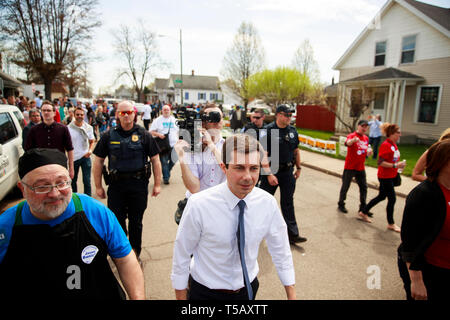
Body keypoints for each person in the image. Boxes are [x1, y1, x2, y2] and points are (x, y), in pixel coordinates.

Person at [0, 148, 145, 300]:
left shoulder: (94, 211)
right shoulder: (5, 226)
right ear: (22, 189)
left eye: (61, 183)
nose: (54, 193)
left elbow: (125, 259)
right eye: (42, 186)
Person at [171, 134, 296, 300]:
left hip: (248, 291)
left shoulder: (267, 203)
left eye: (253, 168)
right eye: (239, 168)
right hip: (205, 294)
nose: (247, 177)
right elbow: (182, 255)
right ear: (224, 167)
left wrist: (291, 295)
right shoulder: (198, 204)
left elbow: (281, 250)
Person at [93, 100, 162, 259]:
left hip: (138, 185)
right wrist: (98, 186)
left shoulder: (144, 134)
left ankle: (135, 253)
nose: (126, 115)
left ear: (134, 114)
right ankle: (122, 253)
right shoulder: (108, 135)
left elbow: (155, 160)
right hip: (116, 185)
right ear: (117, 114)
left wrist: (157, 184)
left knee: (136, 222)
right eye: (122, 113)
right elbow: (98, 161)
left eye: (129, 112)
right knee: (117, 221)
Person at [397, 139, 450, 301]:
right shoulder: (424, 194)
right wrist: (417, 281)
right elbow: (409, 242)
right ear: (442, 162)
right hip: (430, 269)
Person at [259, 105, 306, 244]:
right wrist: (268, 174)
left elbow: (296, 151)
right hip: (271, 171)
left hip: (287, 172)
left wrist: (299, 168)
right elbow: (263, 155)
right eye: (287, 115)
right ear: (278, 115)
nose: (289, 118)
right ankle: (256, 230)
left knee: (288, 203)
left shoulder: (292, 131)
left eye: (290, 115)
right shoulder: (266, 131)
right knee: (264, 202)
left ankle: (292, 234)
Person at [358, 123, 406, 231]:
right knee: (392, 199)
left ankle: (363, 211)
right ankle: (391, 223)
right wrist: (395, 165)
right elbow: (380, 162)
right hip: (385, 176)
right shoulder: (386, 145)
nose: (400, 135)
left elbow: (393, 159)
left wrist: (399, 166)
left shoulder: (393, 145)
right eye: (398, 132)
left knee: (382, 196)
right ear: (391, 134)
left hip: (391, 175)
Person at [24, 101, 75, 179]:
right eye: (44, 110)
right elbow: (28, 150)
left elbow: (70, 149)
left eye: (48, 110)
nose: (46, 112)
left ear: (54, 113)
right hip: (41, 167)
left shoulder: (63, 129)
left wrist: (71, 168)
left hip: (59, 166)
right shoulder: (34, 130)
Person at [337, 120, 372, 214]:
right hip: (350, 166)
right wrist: (353, 141)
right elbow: (347, 143)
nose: (364, 128)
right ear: (358, 126)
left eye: (366, 127)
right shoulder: (352, 135)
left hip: (360, 167)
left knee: (364, 187)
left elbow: (365, 151)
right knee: (345, 186)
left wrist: (368, 153)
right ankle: (341, 203)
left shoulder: (366, 138)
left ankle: (363, 207)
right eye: (362, 126)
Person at [68, 107, 95, 196]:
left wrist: (90, 151)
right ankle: (74, 199)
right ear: (74, 115)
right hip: (74, 158)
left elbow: (92, 141)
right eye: (78, 114)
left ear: (84, 116)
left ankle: (88, 199)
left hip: (85, 157)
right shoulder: (68, 128)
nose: (80, 116)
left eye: (81, 115)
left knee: (87, 180)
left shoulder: (89, 128)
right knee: (73, 180)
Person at [150, 105, 179, 184]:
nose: (166, 111)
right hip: (163, 145)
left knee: (174, 160)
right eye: (164, 110)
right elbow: (151, 131)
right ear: (162, 111)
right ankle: (166, 178)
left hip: (174, 144)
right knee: (164, 162)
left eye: (168, 110)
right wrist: (159, 135)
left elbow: (179, 131)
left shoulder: (174, 120)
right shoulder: (157, 120)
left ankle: (167, 172)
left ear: (170, 111)